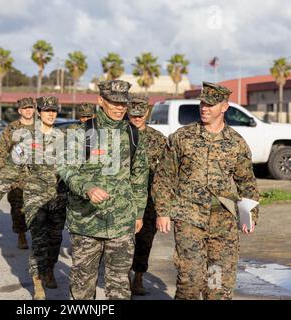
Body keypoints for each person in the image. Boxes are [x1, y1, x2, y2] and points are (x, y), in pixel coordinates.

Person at [152, 81, 260, 300]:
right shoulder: (182, 137)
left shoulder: (236, 143)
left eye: (211, 104)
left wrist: (249, 216)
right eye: (202, 103)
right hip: (189, 219)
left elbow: (247, 183)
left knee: (216, 284)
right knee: (190, 281)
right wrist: (163, 211)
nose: (204, 108)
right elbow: (164, 176)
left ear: (224, 107)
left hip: (223, 223)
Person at [58, 80, 149, 300]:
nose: (119, 108)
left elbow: (139, 176)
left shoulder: (134, 135)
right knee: (82, 286)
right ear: (101, 101)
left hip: (121, 222)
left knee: (119, 287)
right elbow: (65, 168)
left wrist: (138, 213)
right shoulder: (82, 132)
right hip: (86, 221)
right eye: (113, 102)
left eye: (123, 103)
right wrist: (87, 187)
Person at [0, 96, 67, 300]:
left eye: (55, 110)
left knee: (56, 238)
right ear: (39, 112)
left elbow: (74, 169)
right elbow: (13, 168)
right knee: (40, 239)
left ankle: (49, 269)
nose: (52, 114)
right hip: (34, 195)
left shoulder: (63, 137)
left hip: (58, 197)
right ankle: (38, 282)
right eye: (47, 110)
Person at [127, 95, 167, 295]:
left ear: (147, 113)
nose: (137, 118)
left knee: (145, 241)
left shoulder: (158, 139)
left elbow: (166, 170)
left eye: (140, 114)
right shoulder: (120, 135)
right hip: (124, 197)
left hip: (150, 199)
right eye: (133, 114)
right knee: (123, 241)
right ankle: (123, 277)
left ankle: (139, 277)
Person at [0, 97, 36, 249]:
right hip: (17, 178)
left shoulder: (41, 127)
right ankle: (21, 235)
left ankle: (36, 235)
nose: (28, 110)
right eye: (25, 108)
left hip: (36, 177)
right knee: (18, 208)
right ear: (19, 111)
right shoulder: (11, 128)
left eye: (30, 108)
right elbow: (0, 152)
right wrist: (6, 172)